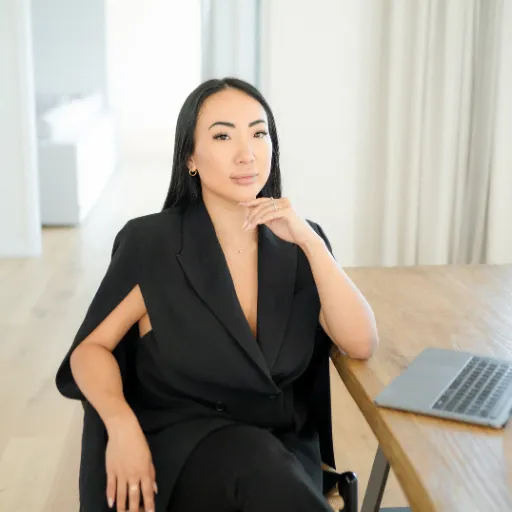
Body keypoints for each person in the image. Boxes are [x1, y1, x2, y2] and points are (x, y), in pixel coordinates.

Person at [55, 77, 379, 512]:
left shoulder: (300, 244)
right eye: (223, 136)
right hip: (180, 446)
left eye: (259, 134)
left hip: (280, 449)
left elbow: (361, 342)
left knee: (268, 468)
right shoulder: (153, 242)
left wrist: (310, 242)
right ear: (190, 157)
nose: (246, 153)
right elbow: (91, 349)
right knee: (260, 467)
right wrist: (120, 423)